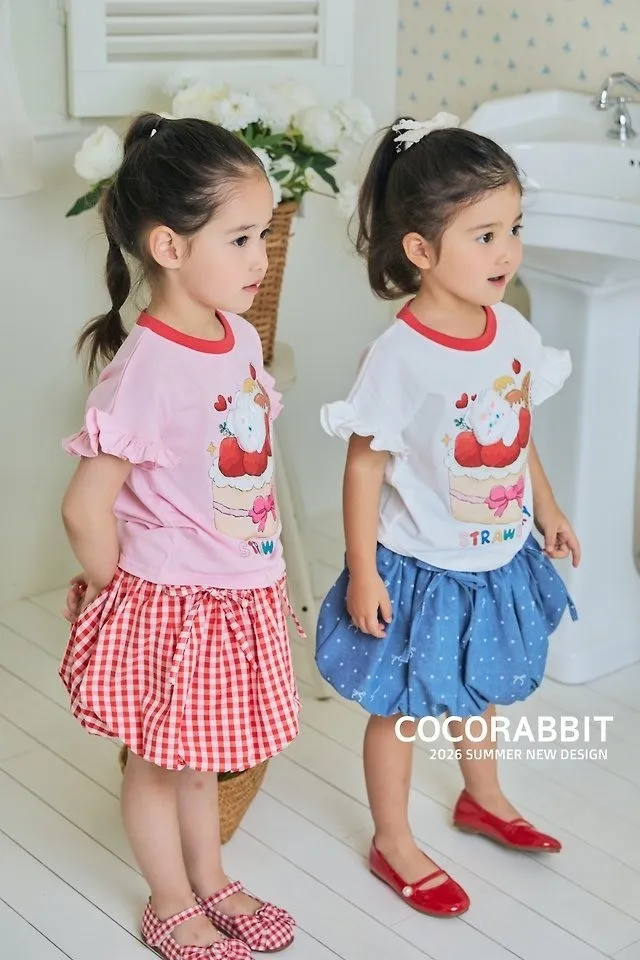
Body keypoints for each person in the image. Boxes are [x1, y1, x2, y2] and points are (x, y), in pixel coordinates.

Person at [315, 113, 580, 918]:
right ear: (421, 251)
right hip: (421, 566)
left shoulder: (512, 331)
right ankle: (393, 838)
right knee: (400, 708)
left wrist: (547, 505)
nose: (508, 252)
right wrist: (363, 573)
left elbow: (517, 430)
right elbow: (364, 467)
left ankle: (482, 797)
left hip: (493, 558)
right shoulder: (400, 357)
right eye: (485, 235)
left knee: (482, 682)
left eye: (514, 229)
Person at [60, 113, 299, 958]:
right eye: (240, 239)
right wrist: (116, 598)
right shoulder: (148, 368)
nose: (260, 257)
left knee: (202, 753)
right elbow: (85, 508)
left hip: (236, 589)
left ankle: (211, 877)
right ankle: (169, 899)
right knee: (158, 762)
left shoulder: (238, 336)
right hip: (173, 601)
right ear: (168, 246)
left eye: (262, 235)